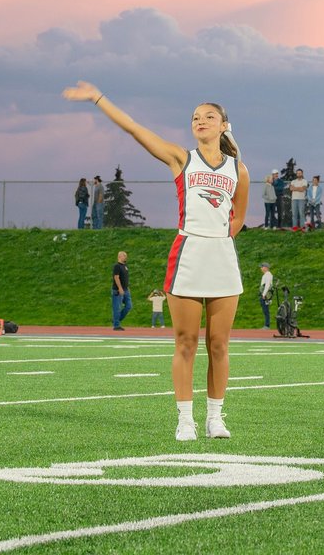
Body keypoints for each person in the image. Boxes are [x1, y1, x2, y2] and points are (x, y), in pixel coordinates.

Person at [63, 82, 249, 442]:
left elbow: (239, 214)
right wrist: (99, 97)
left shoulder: (239, 169)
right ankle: (185, 420)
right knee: (185, 341)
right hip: (188, 254)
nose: (201, 121)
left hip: (222, 258)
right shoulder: (181, 158)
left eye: (209, 116)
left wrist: (223, 237)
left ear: (224, 125)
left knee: (219, 344)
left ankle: (215, 418)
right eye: (195, 117)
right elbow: (134, 129)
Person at [111, 250, 132, 331]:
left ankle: (116, 320)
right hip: (117, 290)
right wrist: (120, 288)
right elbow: (116, 277)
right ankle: (116, 326)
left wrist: (127, 287)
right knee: (117, 308)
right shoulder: (117, 266)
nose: (126, 257)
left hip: (126, 290)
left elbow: (125, 278)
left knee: (129, 306)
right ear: (119, 256)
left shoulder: (125, 266)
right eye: (124, 256)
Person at [259, 263, 274, 328]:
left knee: (266, 310)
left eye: (262, 267)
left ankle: (267, 325)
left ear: (266, 267)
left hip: (266, 295)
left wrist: (264, 294)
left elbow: (267, 285)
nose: (261, 268)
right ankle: (266, 324)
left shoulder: (268, 275)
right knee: (265, 310)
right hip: (264, 294)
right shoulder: (266, 275)